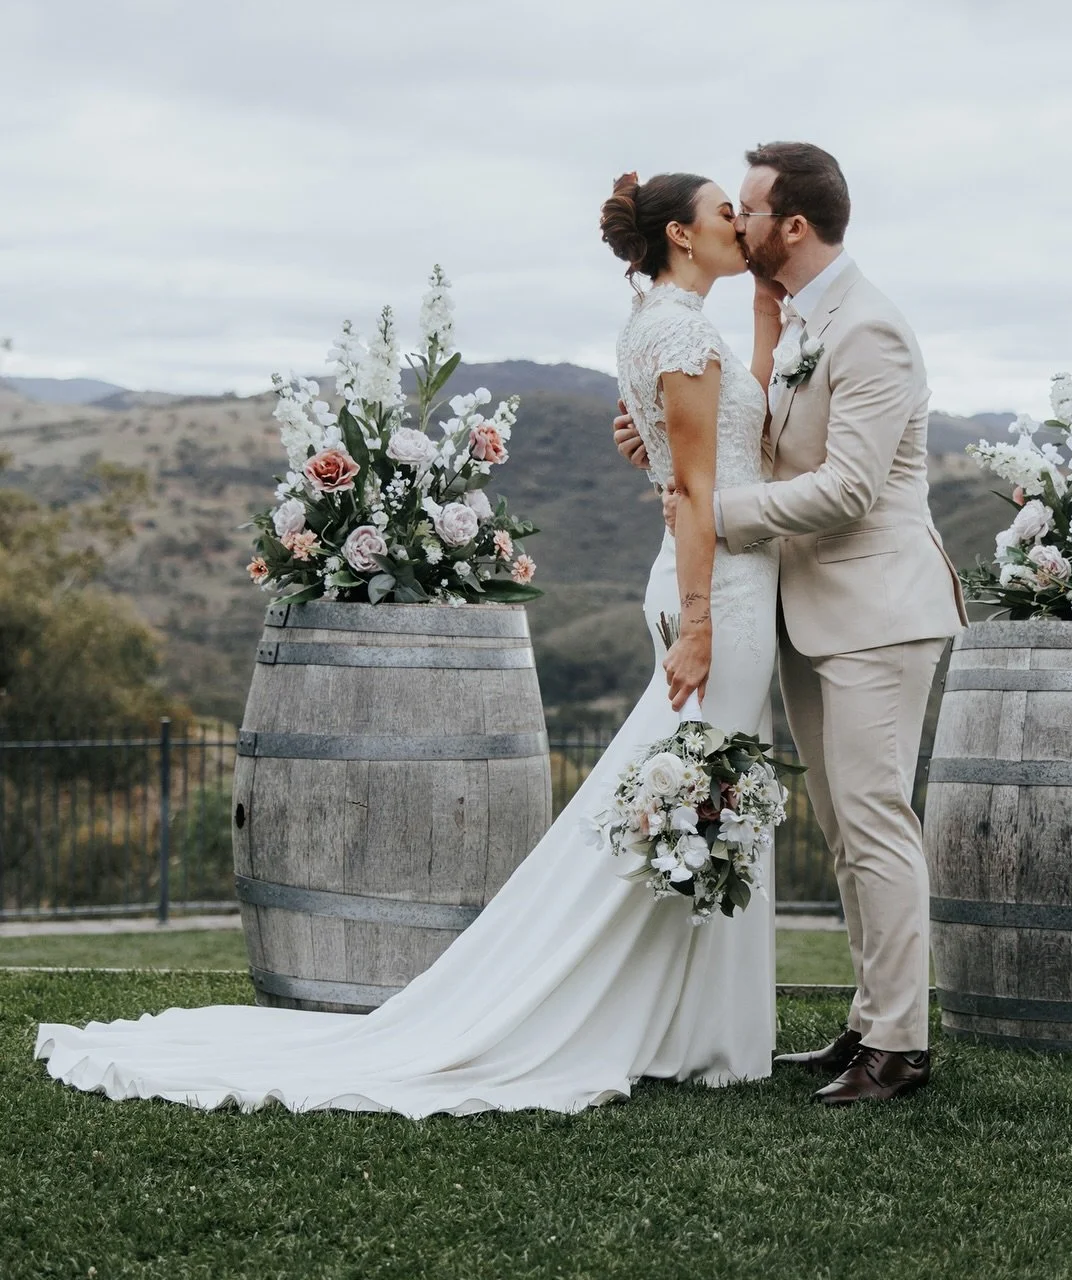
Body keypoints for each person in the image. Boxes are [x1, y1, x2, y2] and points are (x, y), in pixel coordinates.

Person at [34, 171, 780, 1117]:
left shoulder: (662, 325)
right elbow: (703, 486)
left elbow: (683, 461)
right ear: (680, 234)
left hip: (711, 573)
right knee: (693, 786)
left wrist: (754, 316)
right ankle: (673, 1027)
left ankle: (698, 1024)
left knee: (699, 788)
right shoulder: (676, 331)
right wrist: (704, 620)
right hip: (719, 589)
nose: (737, 224)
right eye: (725, 212)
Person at [615, 142, 965, 1106]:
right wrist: (667, 434)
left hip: (876, 609)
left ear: (791, 227)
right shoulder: (804, 316)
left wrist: (716, 513)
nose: (741, 224)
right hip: (812, 609)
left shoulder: (870, 332)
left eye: (751, 210)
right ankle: (867, 1023)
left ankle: (900, 1046)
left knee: (875, 823)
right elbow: (763, 440)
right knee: (844, 826)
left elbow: (850, 489)